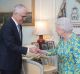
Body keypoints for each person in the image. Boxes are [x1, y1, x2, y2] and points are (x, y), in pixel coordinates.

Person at [0, 4, 40, 74]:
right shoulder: (7, 26)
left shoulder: (19, 25)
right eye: (23, 16)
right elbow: (11, 45)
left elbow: (17, 44)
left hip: (16, 63)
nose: (24, 19)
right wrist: (28, 49)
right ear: (15, 14)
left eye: (25, 16)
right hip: (8, 64)